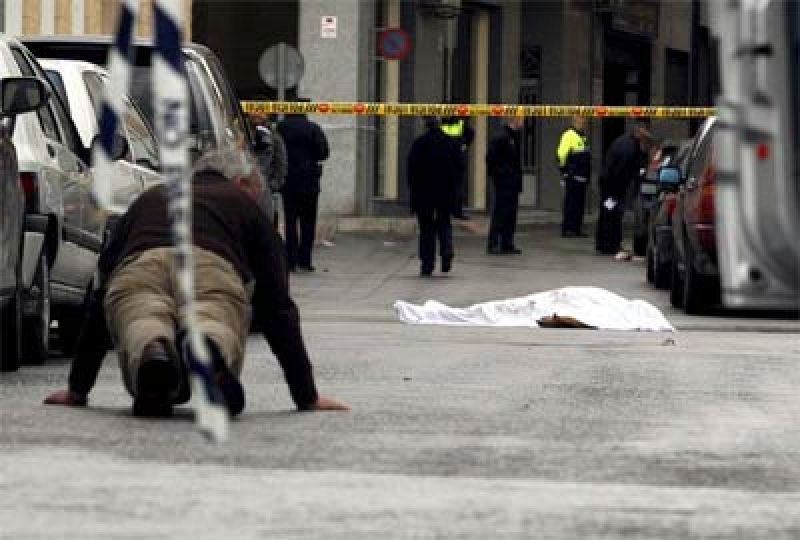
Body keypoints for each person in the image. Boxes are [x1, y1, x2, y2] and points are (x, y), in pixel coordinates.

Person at [43, 150, 348, 417]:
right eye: (256, 192)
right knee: (214, 315)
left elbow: (101, 293)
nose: (256, 198)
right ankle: (206, 344)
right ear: (241, 184)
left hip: (140, 264)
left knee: (141, 315)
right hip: (211, 265)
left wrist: (77, 388)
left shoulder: (151, 197)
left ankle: (154, 351)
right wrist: (306, 394)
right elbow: (276, 306)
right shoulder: (244, 206)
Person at [407, 117, 461, 277]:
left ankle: (427, 264)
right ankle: (446, 251)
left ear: (426, 126)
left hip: (423, 194)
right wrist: (455, 190)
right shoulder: (451, 143)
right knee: (444, 223)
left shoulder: (419, 144)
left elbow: (411, 171)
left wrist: (413, 193)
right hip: (445, 192)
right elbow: (460, 168)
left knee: (426, 229)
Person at [277, 107, 330, 272]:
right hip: (309, 183)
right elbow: (323, 152)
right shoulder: (313, 128)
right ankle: (305, 261)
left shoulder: (281, 127)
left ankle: (291, 260)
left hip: (289, 182)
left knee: (290, 222)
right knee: (308, 223)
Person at [595, 120, 652, 257]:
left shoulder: (627, 142)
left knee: (608, 213)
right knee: (612, 214)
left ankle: (604, 243)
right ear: (638, 132)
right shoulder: (628, 147)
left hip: (610, 184)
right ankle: (611, 244)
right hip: (613, 186)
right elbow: (620, 170)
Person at [486, 116, 525, 255]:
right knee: (500, 212)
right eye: (521, 119)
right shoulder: (501, 137)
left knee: (511, 213)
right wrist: (500, 174)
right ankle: (493, 243)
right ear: (514, 119)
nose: (523, 121)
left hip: (513, 181)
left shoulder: (516, 136)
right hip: (504, 181)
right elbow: (491, 158)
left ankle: (507, 243)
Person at [556, 116, 591, 237]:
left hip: (581, 176)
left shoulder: (582, 136)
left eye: (584, 122)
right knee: (571, 203)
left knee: (579, 205)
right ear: (575, 122)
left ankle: (576, 228)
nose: (583, 124)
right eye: (581, 122)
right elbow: (561, 154)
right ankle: (569, 229)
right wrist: (564, 171)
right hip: (573, 175)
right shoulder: (569, 134)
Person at [440, 115, 474, 220]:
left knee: (455, 188)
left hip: (453, 160)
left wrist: (465, 145)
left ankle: (455, 211)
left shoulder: (453, 123)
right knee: (453, 187)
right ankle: (454, 211)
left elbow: (470, 132)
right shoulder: (448, 123)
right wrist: (464, 145)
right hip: (451, 159)